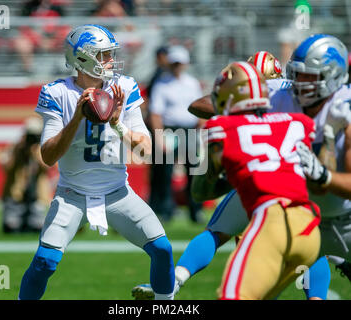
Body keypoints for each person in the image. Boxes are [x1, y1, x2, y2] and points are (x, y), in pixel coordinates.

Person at [18, 24, 175, 300]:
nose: (110, 61)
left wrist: (118, 125)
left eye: (110, 54)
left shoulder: (124, 87)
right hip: (72, 194)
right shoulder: (57, 93)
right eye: (103, 55)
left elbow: (146, 149)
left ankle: (165, 304)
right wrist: (77, 117)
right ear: (82, 59)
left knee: (162, 249)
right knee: (44, 262)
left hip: (117, 192)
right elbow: (48, 155)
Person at [132, 51, 286, 299]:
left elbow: (198, 106)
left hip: (252, 183)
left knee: (217, 232)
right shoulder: (299, 112)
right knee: (310, 244)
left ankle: (176, 281)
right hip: (292, 184)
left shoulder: (228, 121)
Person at [203, 61, 320, 300]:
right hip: (309, 224)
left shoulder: (222, 126)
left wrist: (234, 176)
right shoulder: (299, 122)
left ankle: (180, 277)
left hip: (271, 217)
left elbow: (199, 192)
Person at [148, 45, 203, 223]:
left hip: (190, 130)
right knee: (164, 172)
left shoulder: (192, 83)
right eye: (175, 63)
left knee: (195, 171)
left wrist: (201, 133)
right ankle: (164, 210)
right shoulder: (162, 83)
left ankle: (196, 211)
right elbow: (155, 113)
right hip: (169, 130)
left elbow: (201, 110)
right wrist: (159, 136)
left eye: (180, 63)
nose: (177, 66)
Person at [1, 117, 51, 233]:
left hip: (37, 194)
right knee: (12, 227)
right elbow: (6, 167)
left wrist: (37, 153)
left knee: (37, 227)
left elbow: (48, 166)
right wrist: (18, 151)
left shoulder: (42, 149)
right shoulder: (16, 147)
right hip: (17, 194)